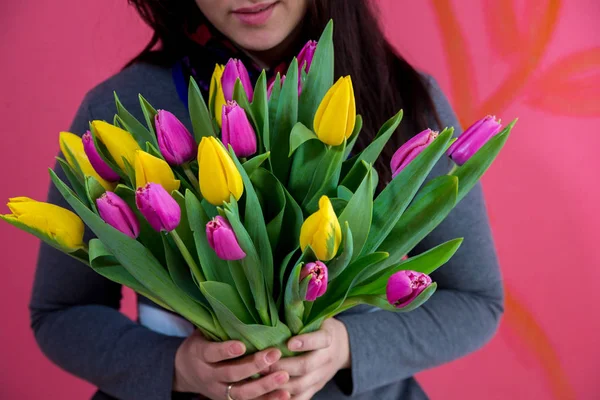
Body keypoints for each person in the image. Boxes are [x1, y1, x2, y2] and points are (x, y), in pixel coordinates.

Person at [30, 1, 504, 399]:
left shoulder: (401, 100)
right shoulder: (126, 107)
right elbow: (59, 313)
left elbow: (477, 302)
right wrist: (176, 366)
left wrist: (344, 346)